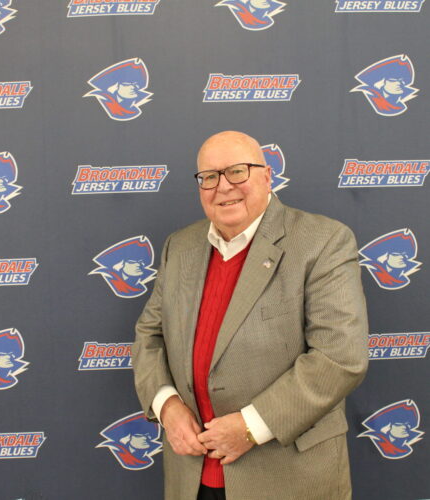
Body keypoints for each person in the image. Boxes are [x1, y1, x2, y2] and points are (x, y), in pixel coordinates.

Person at [132, 131, 368, 500]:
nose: (223, 187)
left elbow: (339, 358)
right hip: (192, 476)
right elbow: (150, 335)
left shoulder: (324, 241)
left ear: (267, 176)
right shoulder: (179, 246)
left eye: (237, 172)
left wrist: (249, 427)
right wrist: (167, 406)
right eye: (209, 177)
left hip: (288, 476)